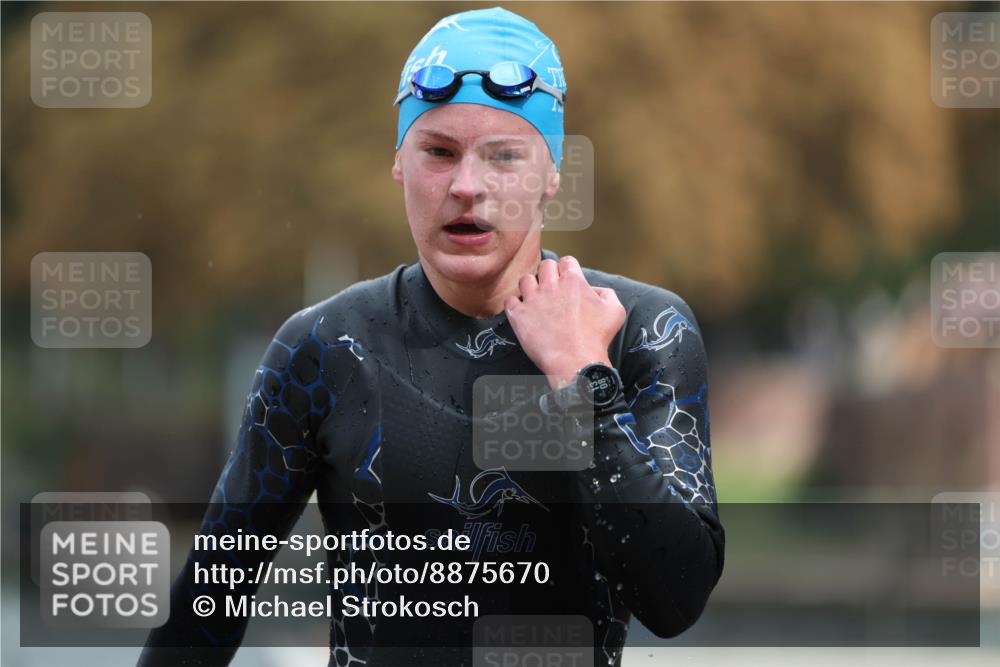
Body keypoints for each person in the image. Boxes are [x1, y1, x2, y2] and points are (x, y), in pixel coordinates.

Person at [139, 6, 723, 666]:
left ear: (553, 173)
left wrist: (583, 378)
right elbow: (208, 603)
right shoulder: (325, 348)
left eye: (504, 156)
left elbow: (675, 599)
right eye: (439, 152)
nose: (467, 187)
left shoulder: (639, 331)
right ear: (399, 164)